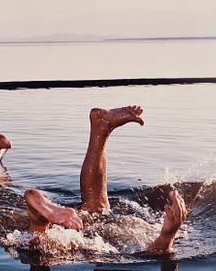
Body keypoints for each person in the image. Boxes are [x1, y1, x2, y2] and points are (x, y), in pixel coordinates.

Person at [24, 106, 187, 254]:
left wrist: (168, 236)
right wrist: (167, 235)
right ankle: (101, 128)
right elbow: (153, 252)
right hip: (81, 233)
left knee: (92, 212)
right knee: (94, 211)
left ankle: (101, 128)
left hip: (71, 231)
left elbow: (153, 252)